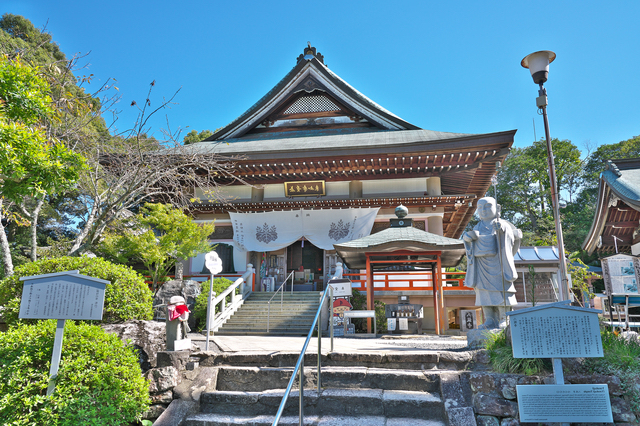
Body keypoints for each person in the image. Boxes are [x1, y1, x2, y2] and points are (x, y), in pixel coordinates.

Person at [463, 197, 522, 329]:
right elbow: (469, 243)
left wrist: (501, 231)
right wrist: (467, 238)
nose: (483, 210)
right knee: (483, 292)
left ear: (498, 208)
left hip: (499, 262)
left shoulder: (502, 224)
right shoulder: (477, 226)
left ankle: (504, 317)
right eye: (480, 208)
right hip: (481, 264)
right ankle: (489, 319)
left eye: (487, 206)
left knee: (502, 289)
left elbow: (512, 237)